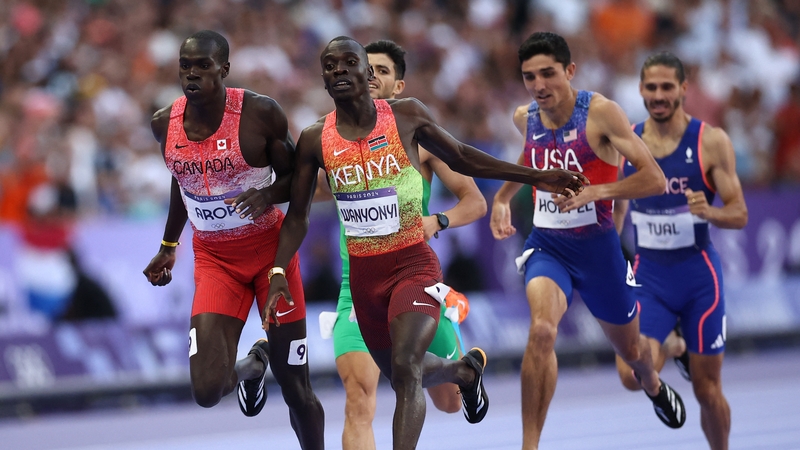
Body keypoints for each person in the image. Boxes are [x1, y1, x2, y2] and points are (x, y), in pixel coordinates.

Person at [266, 36, 586, 450]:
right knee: (403, 371)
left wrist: (535, 177)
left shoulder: (406, 117)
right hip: (362, 279)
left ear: (367, 73)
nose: (340, 70)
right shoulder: (314, 139)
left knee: (404, 370)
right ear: (324, 80)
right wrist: (277, 270)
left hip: (412, 265)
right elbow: (297, 213)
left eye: (350, 63)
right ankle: (463, 372)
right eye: (330, 66)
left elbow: (463, 157)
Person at [489, 31, 686, 448]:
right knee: (542, 331)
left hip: (599, 252)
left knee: (633, 355)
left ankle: (652, 383)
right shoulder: (524, 117)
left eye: (548, 74)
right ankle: (529, 444)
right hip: (549, 245)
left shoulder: (600, 114)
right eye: (529, 77)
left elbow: (654, 179)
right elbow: (531, 155)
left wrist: (595, 192)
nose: (539, 86)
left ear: (570, 70)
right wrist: (504, 197)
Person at [141, 30, 324, 450]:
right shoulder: (163, 123)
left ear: (223, 69)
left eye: (203, 65)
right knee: (207, 390)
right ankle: (253, 365)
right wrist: (169, 246)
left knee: (297, 390)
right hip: (215, 261)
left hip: (269, 255)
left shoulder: (260, 114)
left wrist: (267, 194)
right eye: (185, 65)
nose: (192, 73)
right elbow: (180, 181)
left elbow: (300, 178)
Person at [316, 39, 487, 450]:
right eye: (365, 68)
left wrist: (437, 220)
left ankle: (461, 372)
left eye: (382, 71)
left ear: (398, 87)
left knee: (446, 403)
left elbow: (475, 201)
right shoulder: (333, 136)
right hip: (355, 287)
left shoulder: (420, 139)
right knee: (359, 399)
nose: (370, 76)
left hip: (412, 278)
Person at [614, 51, 747, 450]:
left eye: (667, 87)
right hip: (650, 278)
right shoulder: (627, 142)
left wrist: (711, 212)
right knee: (628, 375)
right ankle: (674, 346)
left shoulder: (711, 142)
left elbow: (739, 213)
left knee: (707, 390)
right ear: (640, 90)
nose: (658, 95)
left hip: (699, 280)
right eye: (651, 87)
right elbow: (617, 212)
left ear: (683, 89)